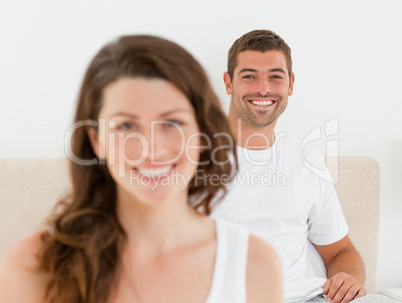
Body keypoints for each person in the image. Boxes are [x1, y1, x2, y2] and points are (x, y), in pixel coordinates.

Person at [0, 35, 283, 303]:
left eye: (172, 122)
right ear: (96, 139)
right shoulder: (33, 265)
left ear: (202, 133)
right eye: (126, 126)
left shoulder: (255, 265)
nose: (152, 149)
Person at [210, 29, 367, 303]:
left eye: (275, 76)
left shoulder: (308, 163)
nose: (263, 88)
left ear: (290, 84)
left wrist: (348, 280)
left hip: (308, 297)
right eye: (249, 76)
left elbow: (342, 252)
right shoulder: (188, 159)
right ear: (228, 83)